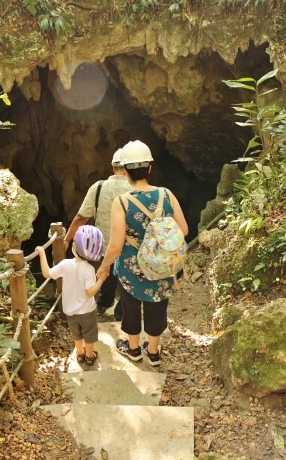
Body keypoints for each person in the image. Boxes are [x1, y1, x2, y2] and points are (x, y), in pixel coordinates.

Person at [97, 140, 188, 367]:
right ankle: (154, 352)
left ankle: (134, 348)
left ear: (126, 171)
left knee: (131, 306)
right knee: (158, 304)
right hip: (162, 264)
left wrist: (104, 265)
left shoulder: (122, 202)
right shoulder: (167, 195)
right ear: (149, 168)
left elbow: (116, 245)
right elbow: (184, 230)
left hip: (131, 266)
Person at [62, 148, 130, 320]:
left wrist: (67, 238)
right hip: (129, 243)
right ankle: (121, 311)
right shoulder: (136, 189)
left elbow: (80, 217)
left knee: (105, 269)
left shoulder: (98, 187)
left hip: (105, 244)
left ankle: (103, 303)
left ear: (113, 168)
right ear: (129, 167)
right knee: (127, 275)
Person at [35, 225, 106, 366]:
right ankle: (89, 356)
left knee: (77, 334)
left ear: (74, 249)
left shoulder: (65, 264)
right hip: (87, 311)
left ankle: (80, 354)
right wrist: (101, 280)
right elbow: (90, 292)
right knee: (89, 334)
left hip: (70, 311)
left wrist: (42, 254)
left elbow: (47, 274)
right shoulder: (89, 269)